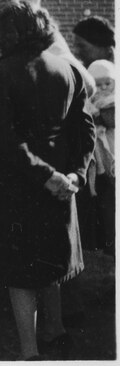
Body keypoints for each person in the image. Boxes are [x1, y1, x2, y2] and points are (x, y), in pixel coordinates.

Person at [0, 0, 95, 360]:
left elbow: (4, 139)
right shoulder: (69, 69)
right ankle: (55, 330)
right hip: (62, 186)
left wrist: (48, 177)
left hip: (21, 185)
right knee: (51, 261)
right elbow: (85, 131)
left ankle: (29, 351)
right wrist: (74, 174)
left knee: (20, 272)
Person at [87, 59, 115, 256]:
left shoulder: (114, 100)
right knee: (105, 201)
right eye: (98, 84)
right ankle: (109, 241)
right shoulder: (90, 103)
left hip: (113, 151)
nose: (104, 88)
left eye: (108, 83)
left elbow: (110, 119)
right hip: (100, 157)